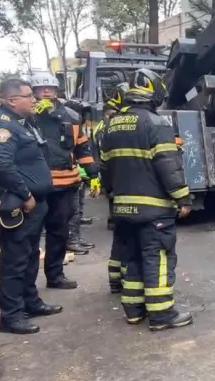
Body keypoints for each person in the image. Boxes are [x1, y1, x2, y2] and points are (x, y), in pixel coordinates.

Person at [100, 69, 193, 331]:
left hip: (122, 208)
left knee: (132, 259)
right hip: (154, 209)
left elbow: (105, 167)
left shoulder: (112, 124)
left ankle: (134, 310)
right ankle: (162, 315)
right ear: (154, 93)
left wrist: (112, 193)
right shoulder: (157, 123)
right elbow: (168, 165)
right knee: (158, 259)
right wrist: (183, 198)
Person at [0, 79, 62, 334]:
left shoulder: (20, 123)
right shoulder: (1, 127)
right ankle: (11, 317)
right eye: (29, 96)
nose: (35, 100)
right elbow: (1, 167)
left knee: (30, 255)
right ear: (12, 100)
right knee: (14, 260)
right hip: (19, 204)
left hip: (34, 204)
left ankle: (29, 302)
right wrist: (26, 195)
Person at [29, 72, 100, 290]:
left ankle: (55, 275)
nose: (45, 92)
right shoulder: (27, 115)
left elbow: (82, 147)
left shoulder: (71, 116)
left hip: (66, 185)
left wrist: (93, 175)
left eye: (49, 87)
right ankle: (27, 284)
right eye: (40, 89)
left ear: (57, 89)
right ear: (34, 92)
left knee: (59, 233)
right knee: (30, 236)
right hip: (36, 186)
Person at [94, 83, 128, 293]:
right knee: (128, 236)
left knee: (120, 234)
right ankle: (123, 279)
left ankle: (115, 280)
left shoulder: (105, 128)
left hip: (116, 187)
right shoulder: (110, 128)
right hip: (124, 187)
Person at [66, 164, 97, 252]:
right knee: (73, 210)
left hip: (79, 174)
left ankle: (75, 238)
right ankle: (71, 240)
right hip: (70, 175)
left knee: (78, 209)